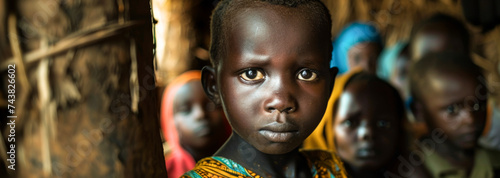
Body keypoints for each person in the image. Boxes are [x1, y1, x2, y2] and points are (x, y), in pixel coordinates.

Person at [182, 0, 347, 177]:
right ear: (214, 86)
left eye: (306, 74)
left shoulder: (331, 168)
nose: (281, 101)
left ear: (329, 86)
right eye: (252, 74)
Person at [409, 52, 500, 177]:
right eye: (452, 110)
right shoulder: (412, 169)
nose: (470, 119)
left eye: (478, 105)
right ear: (418, 112)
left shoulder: (495, 161)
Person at [160, 70, 231, 178]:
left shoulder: (250, 165)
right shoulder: (162, 171)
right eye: (186, 110)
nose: (200, 115)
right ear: (170, 122)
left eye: (210, 105)